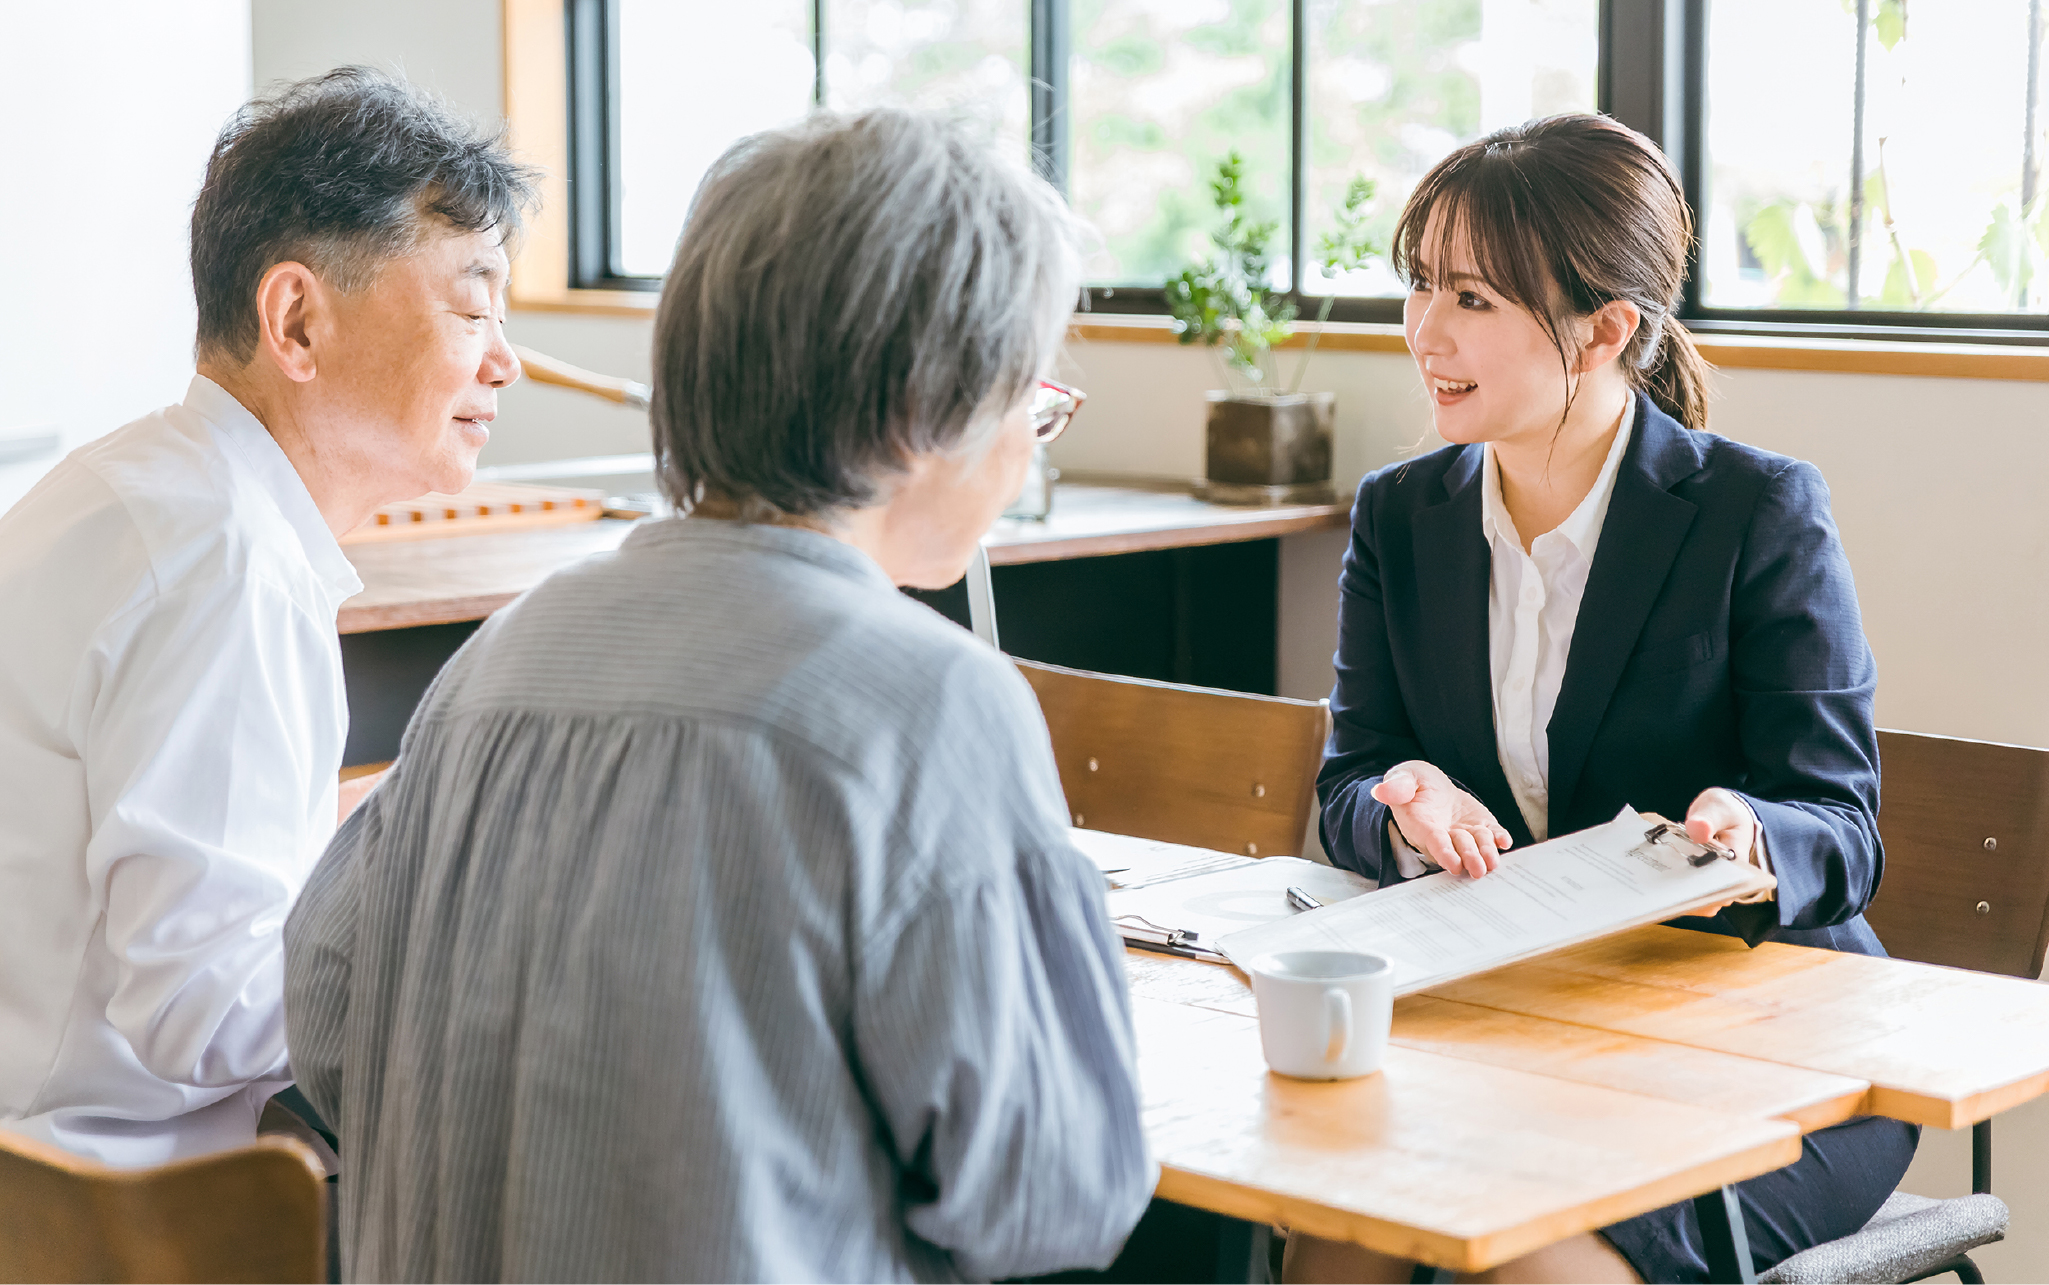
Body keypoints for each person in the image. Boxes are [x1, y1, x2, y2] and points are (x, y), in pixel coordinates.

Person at [282, 107, 1153, 1282]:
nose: (1028, 446)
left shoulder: (499, 660)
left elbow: (329, 1028)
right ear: (928, 404)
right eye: (1029, 397)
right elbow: (1052, 1195)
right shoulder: (928, 700)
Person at [1290, 114, 1915, 1284]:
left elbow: (1841, 825)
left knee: (1525, 1259)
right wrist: (1397, 799)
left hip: (1772, 1049)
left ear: (1608, 326)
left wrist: (1750, 831)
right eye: (1420, 284)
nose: (1423, 329)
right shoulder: (1399, 516)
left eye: (1472, 298)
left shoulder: (1756, 512)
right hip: (1516, 1026)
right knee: (1342, 1222)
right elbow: (1347, 783)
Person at [0, 67, 533, 1166]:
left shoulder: (137, 486)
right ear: (296, 318)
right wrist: (472, 945)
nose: (504, 361)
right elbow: (204, 1006)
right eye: (472, 305)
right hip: (112, 1208)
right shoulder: (227, 566)